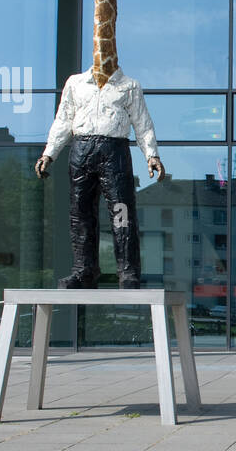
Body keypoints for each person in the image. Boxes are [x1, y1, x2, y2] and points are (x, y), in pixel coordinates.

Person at [35, 69, 164, 289]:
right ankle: (84, 270)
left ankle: (128, 271)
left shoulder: (130, 85)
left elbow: (142, 123)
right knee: (80, 212)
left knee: (121, 211)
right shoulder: (75, 82)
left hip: (115, 151)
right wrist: (49, 153)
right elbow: (63, 119)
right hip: (81, 149)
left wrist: (151, 154)